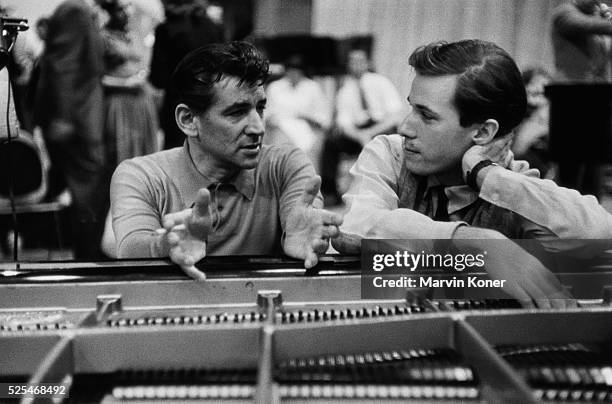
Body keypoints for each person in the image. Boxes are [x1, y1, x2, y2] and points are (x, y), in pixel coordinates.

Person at [332, 39, 612, 307]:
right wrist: (472, 243)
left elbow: (600, 234)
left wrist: (486, 176)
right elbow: (355, 226)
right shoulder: (390, 154)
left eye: (426, 115)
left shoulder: (510, 182)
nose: (405, 127)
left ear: (482, 132)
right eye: (412, 108)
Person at [111, 41, 343, 279]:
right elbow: (130, 248)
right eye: (237, 112)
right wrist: (165, 245)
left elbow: (301, 220)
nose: (258, 127)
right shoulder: (142, 175)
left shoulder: (284, 166)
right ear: (188, 120)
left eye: (260, 108)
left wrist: (300, 236)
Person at [33, 0, 109, 260]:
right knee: (88, 194)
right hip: (76, 122)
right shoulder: (74, 11)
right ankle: (89, 262)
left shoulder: (77, 11)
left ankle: (86, 256)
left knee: (86, 194)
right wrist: (63, 118)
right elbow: (63, 66)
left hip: (77, 119)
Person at [321, 48, 403, 205]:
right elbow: (344, 123)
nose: (356, 64)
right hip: (358, 132)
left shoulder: (381, 82)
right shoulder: (345, 90)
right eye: (352, 61)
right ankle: (330, 192)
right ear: (348, 65)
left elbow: (394, 115)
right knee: (331, 143)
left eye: (360, 61)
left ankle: (390, 192)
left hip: (381, 127)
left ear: (368, 63)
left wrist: (371, 133)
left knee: (389, 139)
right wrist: (360, 135)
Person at [551, 0, 612, 196]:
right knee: (570, 169)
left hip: (597, 98)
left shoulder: (598, 14)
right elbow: (588, 25)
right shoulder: (564, 12)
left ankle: (593, 220)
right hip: (571, 98)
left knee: (595, 169)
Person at [148, 0, 225, 149]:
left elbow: (158, 78)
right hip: (211, 101)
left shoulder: (166, 29)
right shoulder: (212, 27)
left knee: (177, 158)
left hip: (178, 106)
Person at [265, 54, 331, 172]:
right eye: (291, 70)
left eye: (297, 70)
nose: (294, 73)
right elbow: (266, 114)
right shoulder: (275, 87)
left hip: (308, 130)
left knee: (308, 149)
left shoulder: (313, 87)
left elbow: (324, 118)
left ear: (302, 72)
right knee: (279, 144)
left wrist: (307, 119)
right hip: (279, 131)